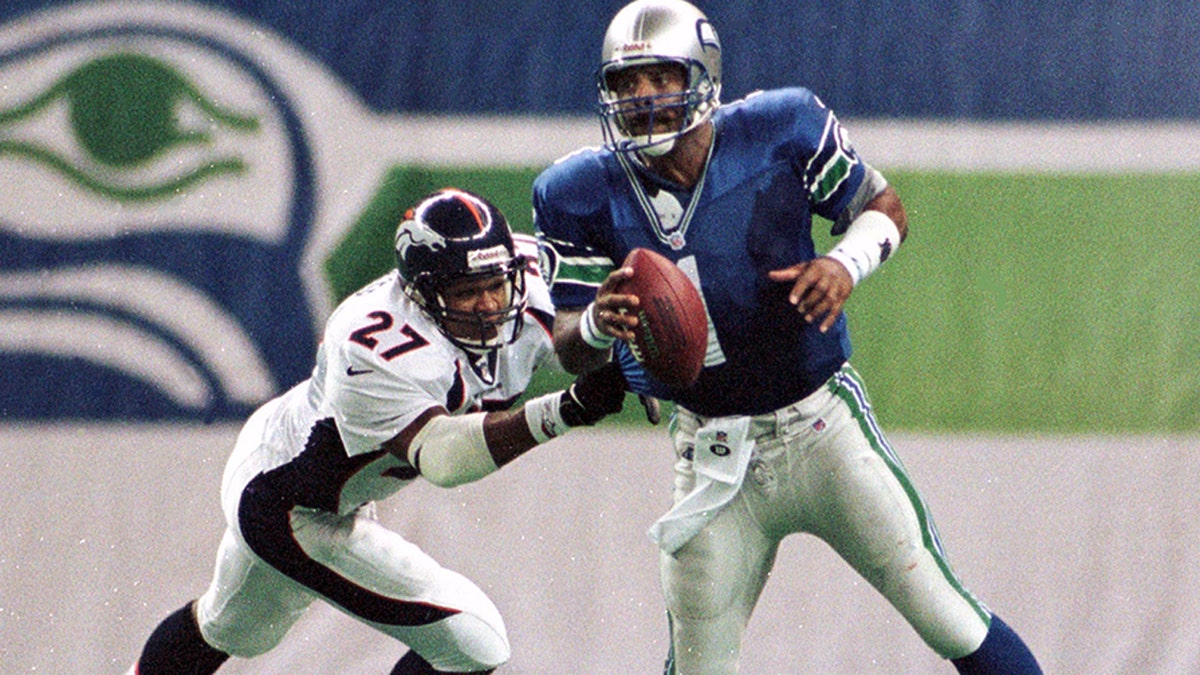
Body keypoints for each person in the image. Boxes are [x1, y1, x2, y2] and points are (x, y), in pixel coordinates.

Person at [532, 1, 1043, 673]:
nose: (641, 98)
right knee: (696, 667)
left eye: (657, 76)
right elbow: (568, 342)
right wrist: (600, 322)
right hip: (711, 455)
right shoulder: (575, 191)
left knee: (945, 612)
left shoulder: (779, 126)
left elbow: (884, 208)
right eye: (625, 83)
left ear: (702, 75)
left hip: (820, 429)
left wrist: (843, 263)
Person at [127, 188, 632, 674]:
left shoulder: (519, 267)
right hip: (291, 503)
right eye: (465, 293)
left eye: (494, 286)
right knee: (474, 641)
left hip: (299, 461)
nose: (487, 305)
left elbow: (565, 343)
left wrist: (596, 330)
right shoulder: (372, 343)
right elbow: (442, 459)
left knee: (233, 628)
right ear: (421, 292)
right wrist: (567, 410)